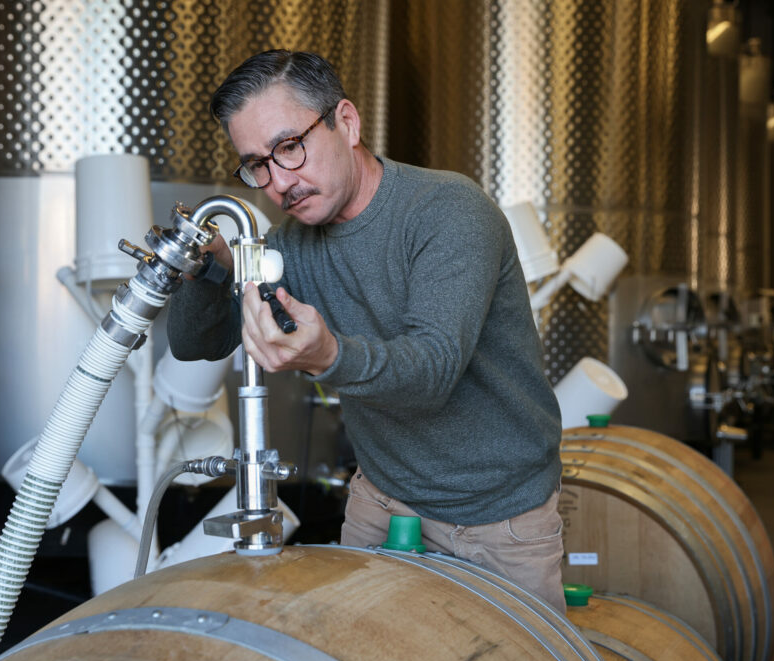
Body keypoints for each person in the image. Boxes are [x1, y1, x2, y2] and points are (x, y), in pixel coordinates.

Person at [167, 49, 566, 614]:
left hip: (496, 518)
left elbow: (432, 372)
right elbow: (197, 345)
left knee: (516, 659)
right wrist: (208, 268)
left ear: (347, 123)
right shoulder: (290, 245)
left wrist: (328, 356)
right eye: (257, 165)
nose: (279, 182)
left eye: (289, 146)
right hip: (381, 501)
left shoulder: (448, 212)